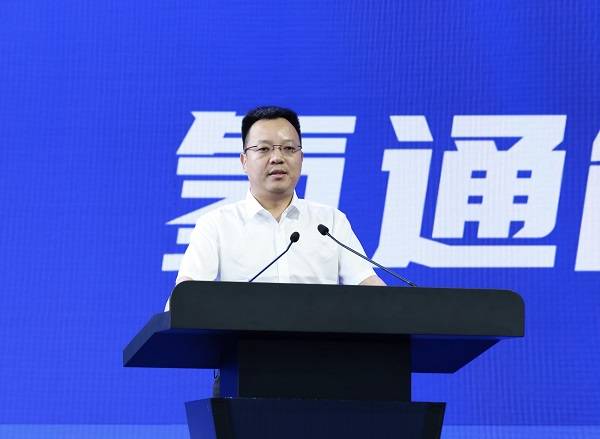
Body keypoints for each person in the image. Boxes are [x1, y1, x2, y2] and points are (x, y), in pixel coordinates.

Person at [169, 106, 384, 307]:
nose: (277, 158)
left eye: (289, 148)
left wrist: (393, 308)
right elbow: (187, 294)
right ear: (244, 161)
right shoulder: (216, 225)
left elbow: (367, 283)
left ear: (301, 158)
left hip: (320, 334)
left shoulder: (330, 222)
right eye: (263, 149)